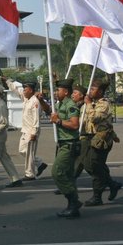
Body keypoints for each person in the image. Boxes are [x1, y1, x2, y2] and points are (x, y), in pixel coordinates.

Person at [41, 79, 82, 218]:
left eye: (58, 90)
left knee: (57, 172)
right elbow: (49, 112)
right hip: (63, 143)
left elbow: (75, 125)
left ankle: (74, 201)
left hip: (69, 144)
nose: (56, 92)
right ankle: (73, 207)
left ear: (65, 91)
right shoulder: (60, 104)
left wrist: (58, 121)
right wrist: (41, 101)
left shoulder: (70, 105)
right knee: (69, 176)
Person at [81, 79, 122, 206]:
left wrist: (88, 104)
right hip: (89, 138)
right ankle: (112, 184)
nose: (90, 91)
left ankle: (97, 196)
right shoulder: (90, 103)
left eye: (93, 89)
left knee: (95, 165)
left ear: (100, 92)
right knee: (90, 165)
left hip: (101, 139)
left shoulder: (103, 104)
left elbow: (95, 118)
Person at [5, 78, 46, 180]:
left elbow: (36, 119)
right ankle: (40, 164)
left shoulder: (35, 102)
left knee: (29, 153)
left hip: (32, 131)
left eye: (25, 89)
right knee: (23, 151)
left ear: (31, 90)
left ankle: (29, 174)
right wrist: (8, 82)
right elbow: (16, 90)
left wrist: (34, 133)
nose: (23, 91)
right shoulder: (26, 98)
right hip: (25, 130)